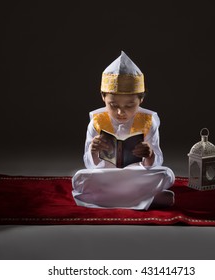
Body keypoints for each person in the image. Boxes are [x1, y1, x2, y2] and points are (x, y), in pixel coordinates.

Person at [72, 51, 175, 210]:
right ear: (103, 97)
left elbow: (155, 163)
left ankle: (109, 198)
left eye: (129, 106)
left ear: (141, 99)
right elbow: (90, 166)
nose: (121, 112)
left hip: (137, 175)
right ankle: (149, 198)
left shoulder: (148, 121)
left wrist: (149, 155)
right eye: (113, 105)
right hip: (106, 176)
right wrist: (93, 152)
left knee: (166, 174)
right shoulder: (97, 122)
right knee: (80, 178)